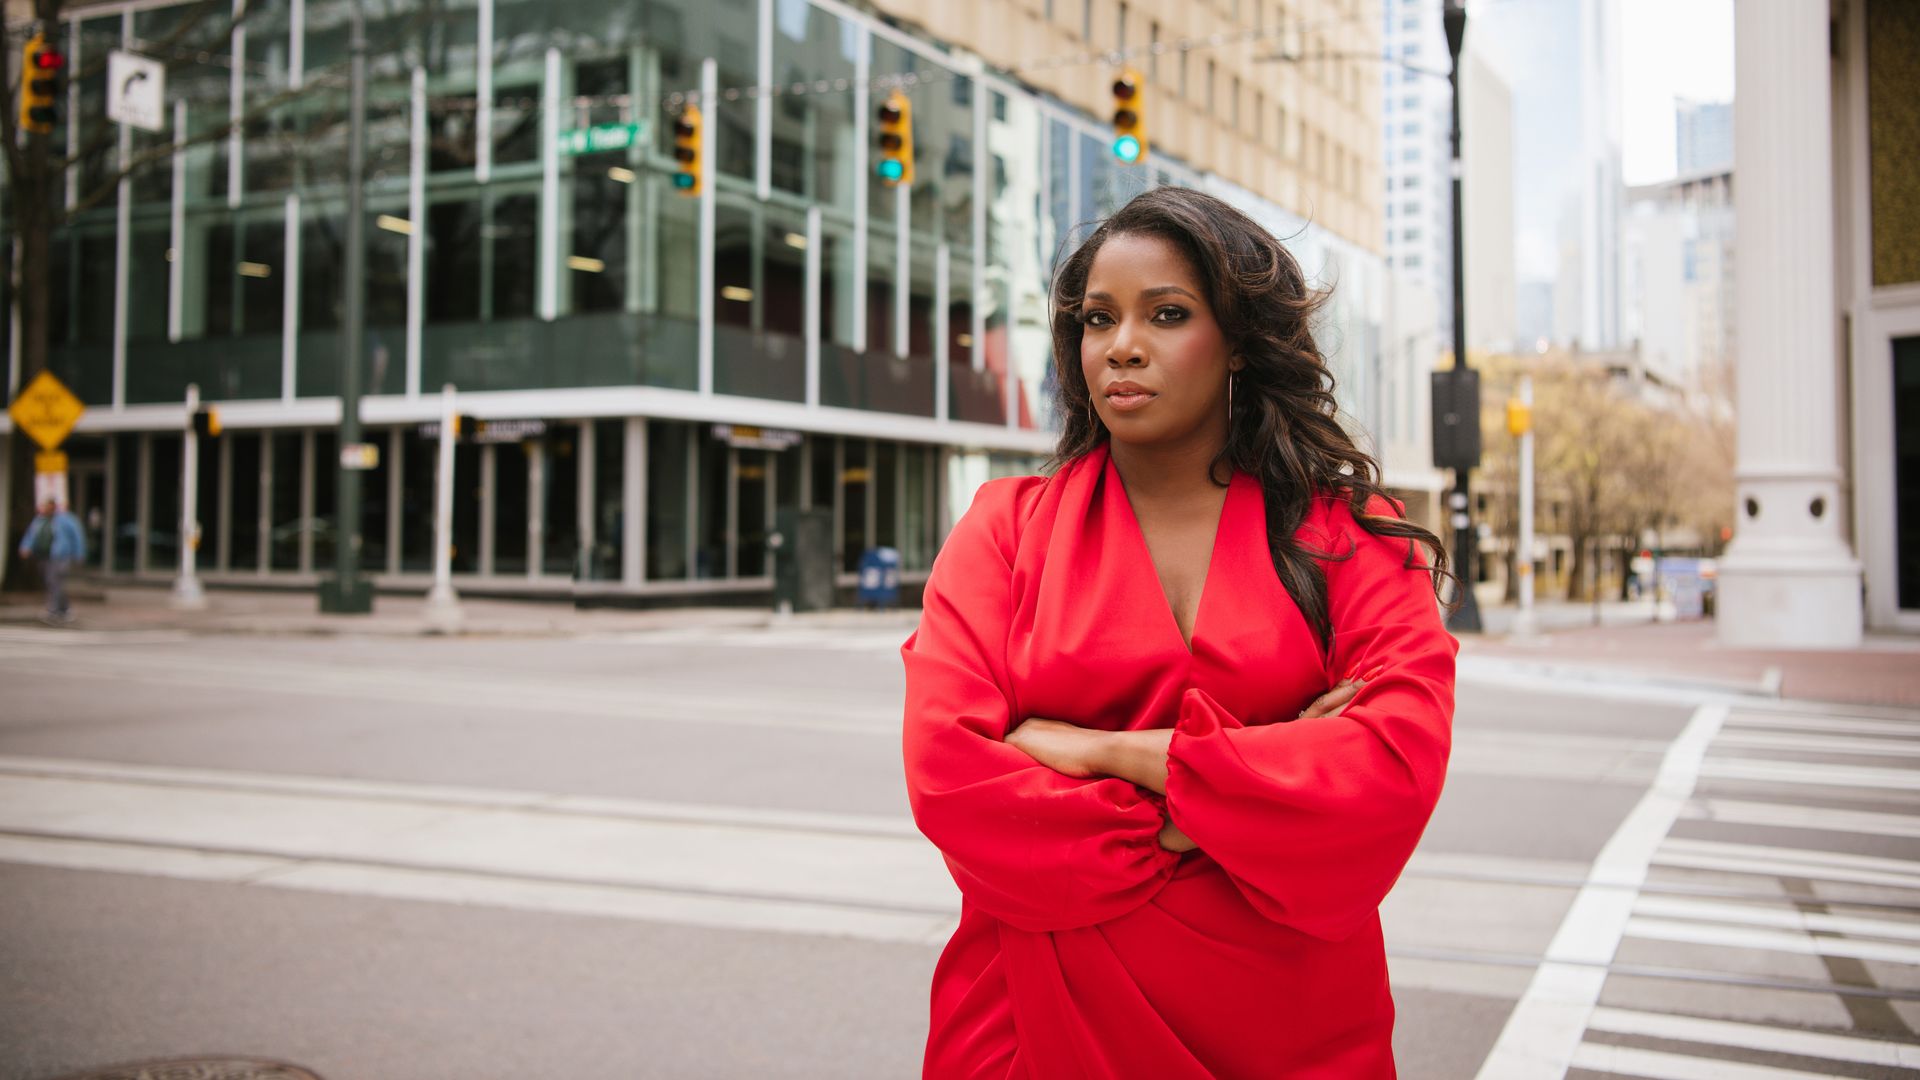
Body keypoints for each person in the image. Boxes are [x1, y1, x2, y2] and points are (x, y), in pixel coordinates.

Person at [901, 187, 1458, 1078]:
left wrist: (1101, 753)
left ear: (1237, 338)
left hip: (1294, 1031)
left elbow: (1389, 772)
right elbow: (951, 777)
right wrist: (1255, 783)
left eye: (1167, 314)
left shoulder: (1350, 535)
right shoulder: (1003, 531)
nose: (1121, 345)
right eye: (1098, 319)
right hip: (1029, 1031)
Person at [18, 498, 88, 625]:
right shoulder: (39, 520)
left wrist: (79, 553)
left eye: (46, 506)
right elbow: (31, 535)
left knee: (54, 581)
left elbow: (77, 536)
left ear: (53, 507)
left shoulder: (65, 519)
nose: (44, 508)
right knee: (52, 583)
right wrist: (26, 546)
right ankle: (65, 609)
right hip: (44, 556)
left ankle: (53, 610)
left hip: (60, 556)